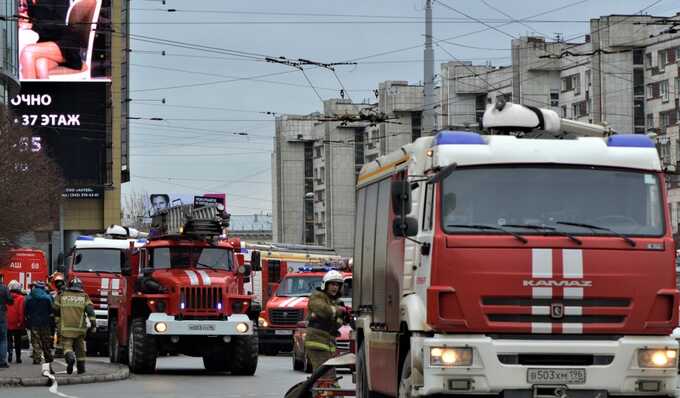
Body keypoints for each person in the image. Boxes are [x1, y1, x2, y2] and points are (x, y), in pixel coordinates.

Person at [19, 0, 87, 79]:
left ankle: (28, 91)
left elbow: (58, 24)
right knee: (40, 64)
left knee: (27, 52)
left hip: (64, 43)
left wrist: (32, 25)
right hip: (46, 44)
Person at [304, 270, 349, 379]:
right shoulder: (317, 297)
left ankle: (325, 393)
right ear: (325, 285)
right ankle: (324, 393)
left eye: (338, 285)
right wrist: (339, 311)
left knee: (327, 375)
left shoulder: (336, 302)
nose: (335, 287)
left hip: (328, 343)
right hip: (316, 342)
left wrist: (344, 318)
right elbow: (324, 310)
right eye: (332, 284)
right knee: (325, 376)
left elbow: (336, 324)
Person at [53, 277, 95, 375]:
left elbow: (55, 308)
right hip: (80, 329)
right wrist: (93, 324)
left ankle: (70, 357)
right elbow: (90, 311)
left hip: (65, 327)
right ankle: (81, 368)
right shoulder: (84, 296)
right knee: (80, 348)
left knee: (67, 346)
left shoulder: (62, 296)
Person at [24, 281, 54, 370]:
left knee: (36, 340)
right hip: (45, 322)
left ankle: (37, 358)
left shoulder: (29, 297)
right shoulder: (48, 297)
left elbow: (26, 310)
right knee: (46, 340)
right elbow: (51, 310)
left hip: (34, 322)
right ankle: (48, 357)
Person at [6, 280, 26, 364]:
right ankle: (18, 357)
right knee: (18, 341)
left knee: (8, 340)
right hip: (17, 322)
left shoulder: (6, 297)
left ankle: (10, 354)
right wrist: (21, 322)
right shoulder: (21, 298)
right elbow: (21, 311)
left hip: (7, 322)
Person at [48, 272, 65, 358]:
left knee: (59, 333)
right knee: (53, 332)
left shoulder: (61, 294)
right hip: (55, 315)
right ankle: (53, 347)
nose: (59, 284)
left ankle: (59, 350)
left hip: (59, 316)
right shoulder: (53, 293)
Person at [0, 275, 14, 368]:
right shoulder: (4, 288)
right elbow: (10, 301)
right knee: (3, 339)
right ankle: (2, 361)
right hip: (1, 315)